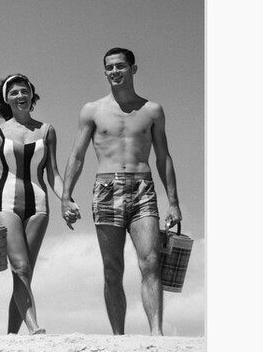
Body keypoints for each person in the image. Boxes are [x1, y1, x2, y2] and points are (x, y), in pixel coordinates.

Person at [61, 47, 182, 336]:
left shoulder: (152, 110)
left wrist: (174, 202)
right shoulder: (92, 110)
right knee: (112, 269)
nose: (114, 72)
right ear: (105, 72)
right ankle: (119, 337)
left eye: (120, 66)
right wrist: (66, 195)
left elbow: (163, 156)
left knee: (151, 261)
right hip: (106, 188)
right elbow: (77, 155)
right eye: (109, 68)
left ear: (133, 69)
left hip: (143, 188)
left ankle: (156, 332)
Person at [0, 73, 72, 335]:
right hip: (6, 203)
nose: (20, 96)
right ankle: (34, 327)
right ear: (6, 98)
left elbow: (54, 174)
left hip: (39, 205)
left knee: (25, 273)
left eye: (24, 91)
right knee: (20, 266)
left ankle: (11, 337)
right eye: (14, 92)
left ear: (32, 94)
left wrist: (66, 200)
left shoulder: (47, 130)